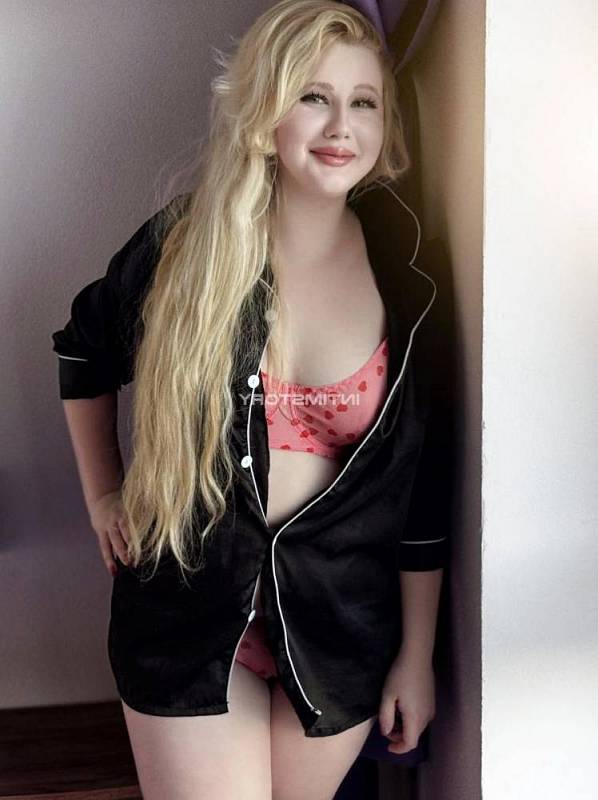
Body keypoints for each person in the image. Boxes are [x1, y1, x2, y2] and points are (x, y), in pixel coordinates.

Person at [51, 1, 455, 797]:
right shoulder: (187, 245)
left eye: (364, 102)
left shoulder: (412, 271)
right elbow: (82, 350)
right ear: (265, 110)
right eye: (314, 97)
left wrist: (417, 654)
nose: (341, 125)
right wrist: (102, 495)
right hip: (189, 619)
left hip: (337, 633)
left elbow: (424, 488)